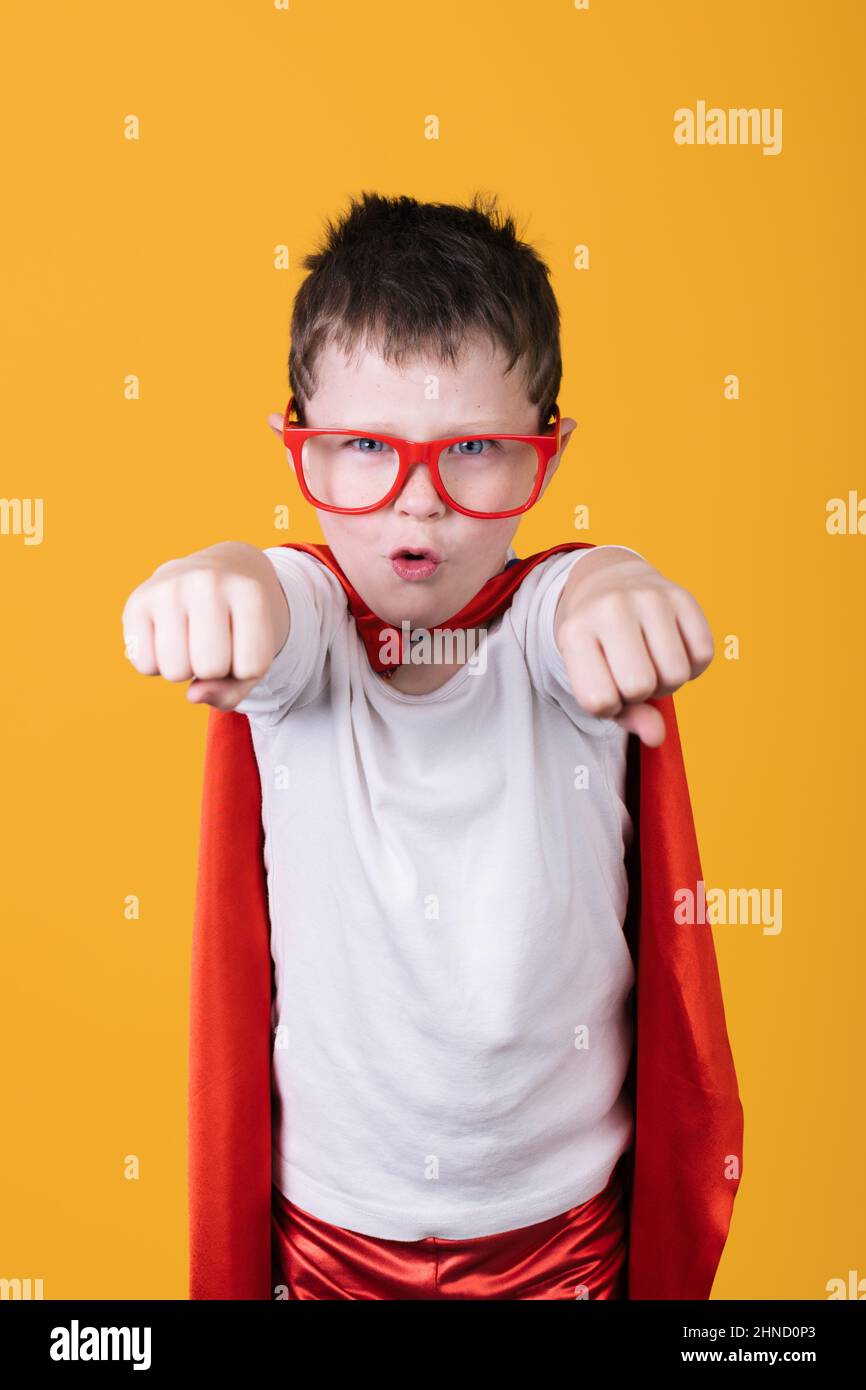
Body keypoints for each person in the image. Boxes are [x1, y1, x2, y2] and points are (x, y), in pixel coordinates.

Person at [122, 192, 734, 1301]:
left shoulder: (554, 631)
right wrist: (211, 573)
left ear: (549, 448)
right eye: (361, 445)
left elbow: (574, 594)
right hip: (327, 1244)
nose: (418, 505)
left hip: (559, 1243)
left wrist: (620, 589)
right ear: (292, 441)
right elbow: (272, 593)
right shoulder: (303, 628)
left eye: (476, 450)